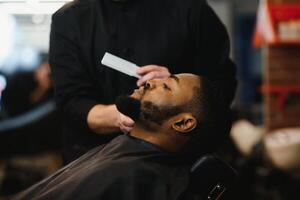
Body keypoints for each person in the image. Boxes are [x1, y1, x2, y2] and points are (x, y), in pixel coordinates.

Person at [49, 0, 237, 163]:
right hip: (93, 159)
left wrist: (177, 83)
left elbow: (221, 85)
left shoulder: (190, 9)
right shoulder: (70, 19)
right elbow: (71, 102)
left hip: (176, 162)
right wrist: (121, 116)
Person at [12, 73, 230, 200]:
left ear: (182, 123)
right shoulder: (126, 152)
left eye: (166, 86)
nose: (149, 82)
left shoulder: (134, 177)